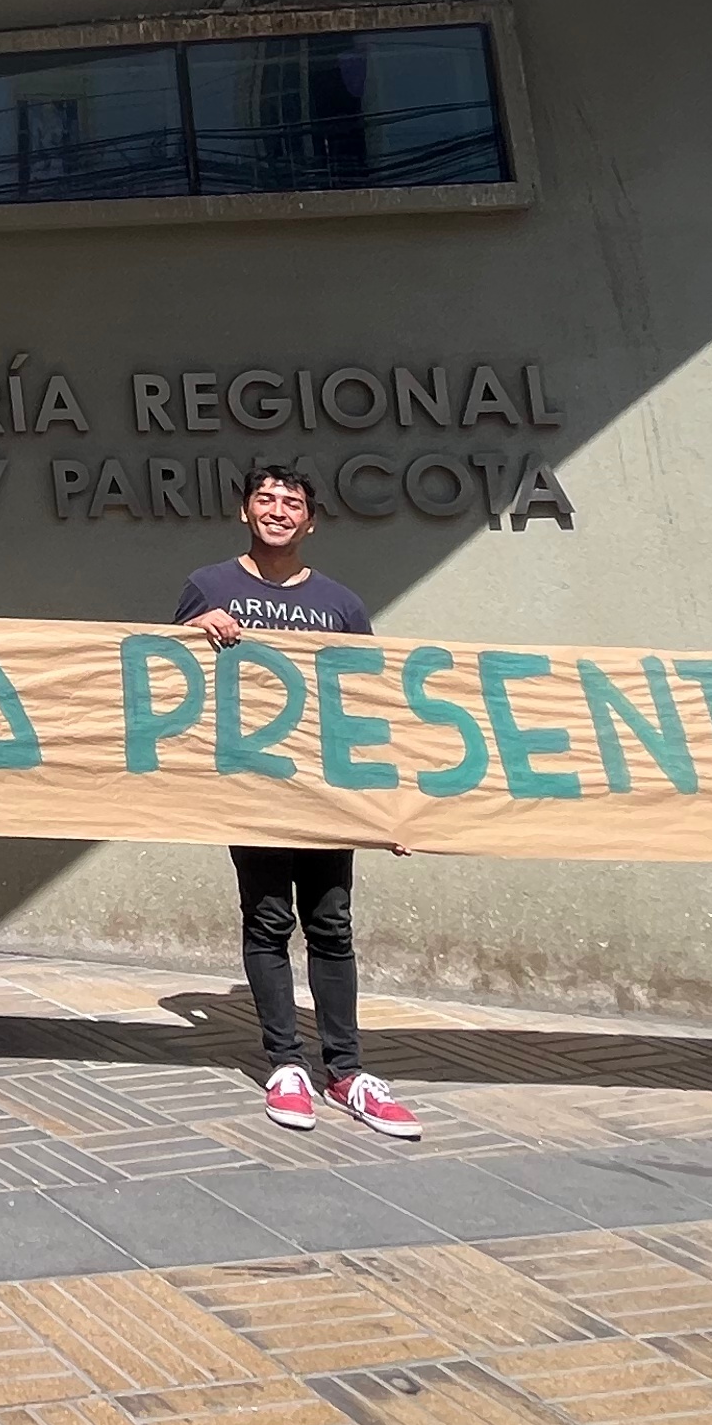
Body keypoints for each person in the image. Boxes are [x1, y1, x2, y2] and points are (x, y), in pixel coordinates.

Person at [179, 463, 422, 1142]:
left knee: (331, 923)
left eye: (292, 503)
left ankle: (346, 1071)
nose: (278, 510)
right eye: (265, 498)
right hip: (251, 787)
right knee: (266, 921)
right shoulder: (208, 587)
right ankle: (285, 1064)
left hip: (325, 791)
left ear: (310, 521)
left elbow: (367, 704)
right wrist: (196, 629)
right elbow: (167, 684)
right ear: (245, 512)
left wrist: (390, 804)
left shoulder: (340, 603)